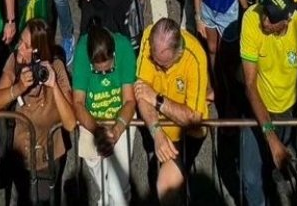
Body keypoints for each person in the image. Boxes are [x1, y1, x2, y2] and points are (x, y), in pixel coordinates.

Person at [238, 0, 297, 206]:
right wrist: (270, 137)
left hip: (286, 110)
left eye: (272, 18)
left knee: (275, 162)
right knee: (250, 177)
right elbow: (249, 84)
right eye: (265, 12)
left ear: (287, 19)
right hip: (256, 110)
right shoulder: (251, 18)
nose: (265, 21)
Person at [0, 18, 77, 205]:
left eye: (26, 45)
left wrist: (53, 84)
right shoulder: (14, 61)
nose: (20, 47)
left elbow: (71, 123)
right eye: (21, 41)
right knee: (21, 199)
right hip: (20, 155)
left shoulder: (56, 67)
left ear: (38, 52)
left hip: (48, 157)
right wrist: (19, 87)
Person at [133, 17, 210, 202]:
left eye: (163, 64)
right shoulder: (148, 38)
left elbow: (193, 118)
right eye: (155, 60)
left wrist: (158, 100)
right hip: (158, 128)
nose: (157, 66)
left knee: (167, 186)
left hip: (186, 135)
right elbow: (141, 92)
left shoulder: (196, 57)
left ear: (178, 54)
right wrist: (156, 131)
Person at [71, 20, 136, 206]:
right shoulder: (82, 53)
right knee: (102, 182)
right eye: (98, 72)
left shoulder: (123, 48)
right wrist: (98, 133)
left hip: (120, 117)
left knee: (119, 187)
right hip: (92, 120)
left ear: (114, 54)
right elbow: (78, 103)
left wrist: (116, 131)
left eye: (109, 69)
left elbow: (130, 101)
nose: (105, 74)